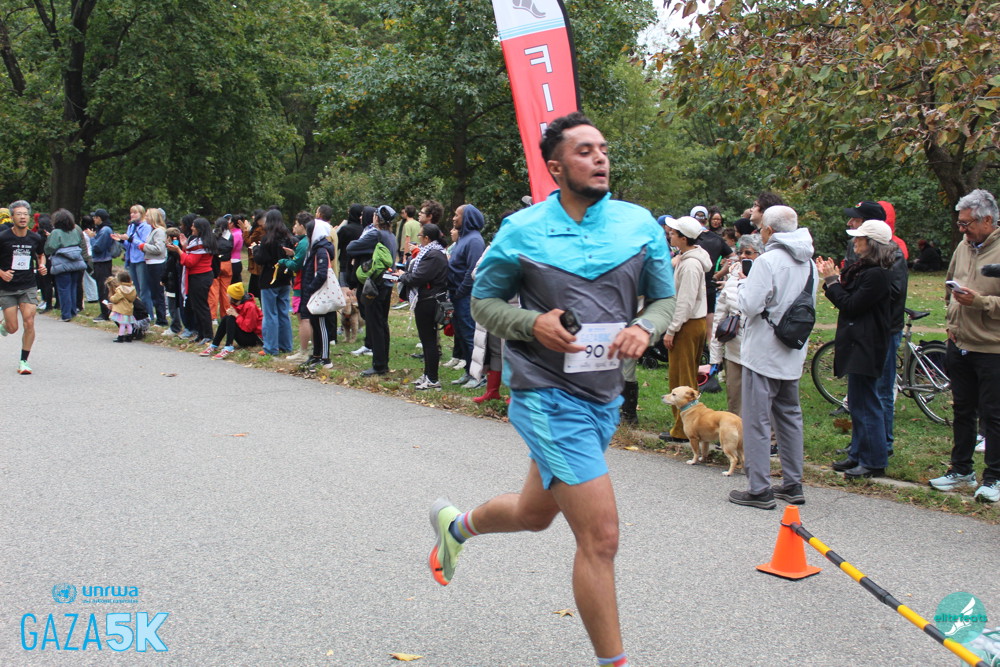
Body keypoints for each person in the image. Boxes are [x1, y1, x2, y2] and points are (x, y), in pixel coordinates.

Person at [429, 112, 675, 667]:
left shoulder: (639, 225)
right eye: (584, 151)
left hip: (604, 397)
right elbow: (482, 303)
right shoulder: (522, 230)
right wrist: (531, 323)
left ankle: (457, 527)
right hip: (547, 395)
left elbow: (663, 299)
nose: (600, 157)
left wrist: (645, 327)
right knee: (601, 537)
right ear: (556, 168)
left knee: (534, 514)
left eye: (603, 149)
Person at [729, 205, 816, 509]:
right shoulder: (810, 262)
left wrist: (742, 282)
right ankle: (793, 483)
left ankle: (759, 488)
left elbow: (750, 305)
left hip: (764, 352)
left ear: (768, 230)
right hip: (792, 349)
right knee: (790, 417)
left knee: (757, 420)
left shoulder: (767, 261)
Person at [930, 189, 1000, 504]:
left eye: (966, 223)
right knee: (962, 410)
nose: (961, 229)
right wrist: (951, 322)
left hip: (992, 348)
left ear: (987, 220)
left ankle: (994, 478)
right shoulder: (963, 246)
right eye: (959, 223)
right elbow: (949, 284)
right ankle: (961, 470)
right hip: (959, 343)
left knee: (993, 416)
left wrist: (980, 302)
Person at [818, 220, 895, 479]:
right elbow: (846, 298)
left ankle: (873, 461)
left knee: (866, 403)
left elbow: (851, 305)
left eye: (860, 238)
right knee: (859, 403)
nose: (855, 242)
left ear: (872, 244)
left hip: (867, 344)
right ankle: (859, 454)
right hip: (858, 342)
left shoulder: (877, 274)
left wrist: (831, 281)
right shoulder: (865, 271)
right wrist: (833, 281)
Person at [660, 216, 711, 442]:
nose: (670, 235)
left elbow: (685, 301)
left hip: (687, 324)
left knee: (681, 379)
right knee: (685, 375)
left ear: (683, 238)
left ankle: (683, 430)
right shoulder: (688, 258)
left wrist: (672, 329)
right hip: (691, 322)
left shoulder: (690, 265)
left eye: (674, 233)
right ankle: (686, 427)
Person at [708, 233, 764, 416]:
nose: (743, 256)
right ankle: (735, 431)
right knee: (735, 401)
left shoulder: (769, 277)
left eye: (748, 252)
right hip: (734, 351)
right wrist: (715, 357)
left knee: (760, 402)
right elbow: (719, 318)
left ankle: (764, 433)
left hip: (760, 352)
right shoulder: (732, 279)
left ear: (760, 254)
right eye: (740, 252)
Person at [347, 205, 398, 375]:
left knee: (375, 323)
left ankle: (379, 365)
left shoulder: (375, 234)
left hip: (375, 284)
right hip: (387, 283)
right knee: (382, 323)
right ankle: (383, 361)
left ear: (377, 218)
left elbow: (351, 247)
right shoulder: (391, 235)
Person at [396, 222, 449, 389]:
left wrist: (402, 276)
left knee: (429, 341)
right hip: (427, 299)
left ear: (426, 238)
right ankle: (427, 375)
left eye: (419, 235)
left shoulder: (433, 255)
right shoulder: (434, 252)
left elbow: (418, 277)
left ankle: (433, 379)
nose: (418, 238)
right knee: (427, 340)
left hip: (429, 301)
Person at [0, 200, 48, 374]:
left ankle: (24, 361)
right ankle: (5, 324)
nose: (22, 217)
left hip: (28, 285)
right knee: (13, 328)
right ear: (12, 217)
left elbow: (41, 255)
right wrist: (2, 273)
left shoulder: (35, 237)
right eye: (19, 214)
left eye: (25, 214)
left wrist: (42, 265)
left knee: (29, 321)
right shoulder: (3, 237)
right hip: (7, 287)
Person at [446, 203, 486, 385]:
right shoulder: (463, 238)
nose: (454, 218)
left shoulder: (474, 240)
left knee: (470, 335)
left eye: (457, 215)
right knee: (461, 334)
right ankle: (468, 371)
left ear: (467, 218)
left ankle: (478, 376)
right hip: (456, 294)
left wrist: (461, 291)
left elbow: (472, 270)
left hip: (465, 296)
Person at [251, 209, 295, 356]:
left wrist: (255, 249)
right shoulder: (288, 237)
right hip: (284, 277)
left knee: (270, 314)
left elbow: (261, 259)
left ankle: (270, 347)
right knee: (283, 312)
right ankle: (286, 345)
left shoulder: (267, 239)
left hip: (269, 278)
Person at [166, 216, 216, 344]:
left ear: (199, 228)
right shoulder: (199, 241)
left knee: (201, 306)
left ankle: (208, 335)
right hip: (197, 276)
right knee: (195, 306)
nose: (192, 227)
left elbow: (189, 261)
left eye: (194, 226)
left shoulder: (200, 243)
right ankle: (200, 333)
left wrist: (178, 250)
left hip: (200, 277)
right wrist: (184, 247)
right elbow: (189, 255)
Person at [299, 216, 338, 369]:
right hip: (313, 292)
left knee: (321, 325)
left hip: (318, 292)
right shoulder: (316, 248)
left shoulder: (321, 250)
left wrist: (310, 288)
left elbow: (322, 274)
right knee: (315, 323)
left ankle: (325, 358)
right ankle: (316, 355)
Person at [44, 208, 91, 322]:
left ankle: (65, 314)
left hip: (62, 263)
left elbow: (49, 248)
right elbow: (80, 243)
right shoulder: (75, 230)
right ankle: (73, 311)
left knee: (63, 289)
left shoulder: (56, 232)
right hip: (76, 262)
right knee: (73, 287)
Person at [199, 282, 262, 359]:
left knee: (230, 318)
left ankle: (228, 346)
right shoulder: (237, 304)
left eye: (228, 294)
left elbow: (249, 328)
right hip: (245, 334)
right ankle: (214, 345)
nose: (226, 295)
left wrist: (236, 315)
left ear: (234, 297)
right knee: (227, 318)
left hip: (254, 340)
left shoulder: (250, 306)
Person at [281, 213, 313, 362]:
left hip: (301, 284)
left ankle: (303, 351)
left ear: (301, 225)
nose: (294, 227)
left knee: (303, 319)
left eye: (295, 224)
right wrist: (294, 254)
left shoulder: (303, 243)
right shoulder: (309, 240)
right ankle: (311, 350)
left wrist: (283, 261)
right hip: (307, 283)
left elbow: (296, 265)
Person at [140, 207, 169, 326]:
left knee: (158, 292)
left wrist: (144, 246)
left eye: (147, 216)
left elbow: (159, 249)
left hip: (157, 264)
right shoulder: (153, 230)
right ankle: (159, 316)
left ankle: (162, 319)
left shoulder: (159, 231)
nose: (145, 218)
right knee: (154, 292)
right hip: (151, 263)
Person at [118, 204, 150, 311]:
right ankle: (140, 312)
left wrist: (130, 239)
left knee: (144, 289)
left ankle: (148, 312)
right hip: (131, 259)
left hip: (141, 259)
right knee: (135, 288)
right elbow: (128, 245)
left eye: (135, 213)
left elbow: (144, 244)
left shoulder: (146, 227)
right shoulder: (131, 227)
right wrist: (121, 240)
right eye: (131, 213)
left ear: (142, 214)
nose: (132, 215)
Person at [87, 208, 115, 321]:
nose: (94, 219)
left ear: (99, 218)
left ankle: (105, 312)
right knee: (101, 287)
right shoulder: (102, 229)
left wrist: (92, 238)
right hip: (100, 261)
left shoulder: (105, 230)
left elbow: (98, 247)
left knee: (103, 288)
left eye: (95, 217)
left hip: (103, 261)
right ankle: (105, 311)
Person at [208, 216, 235, 323]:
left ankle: (213, 317)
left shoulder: (212, 235)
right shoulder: (230, 236)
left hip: (214, 264)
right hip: (227, 264)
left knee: (213, 292)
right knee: (225, 292)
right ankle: (226, 315)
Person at [105, 271, 137, 342]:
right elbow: (133, 298)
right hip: (129, 309)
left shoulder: (120, 289)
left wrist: (111, 298)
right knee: (128, 324)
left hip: (121, 309)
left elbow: (116, 298)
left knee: (122, 324)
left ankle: (120, 336)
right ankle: (130, 335)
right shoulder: (132, 288)